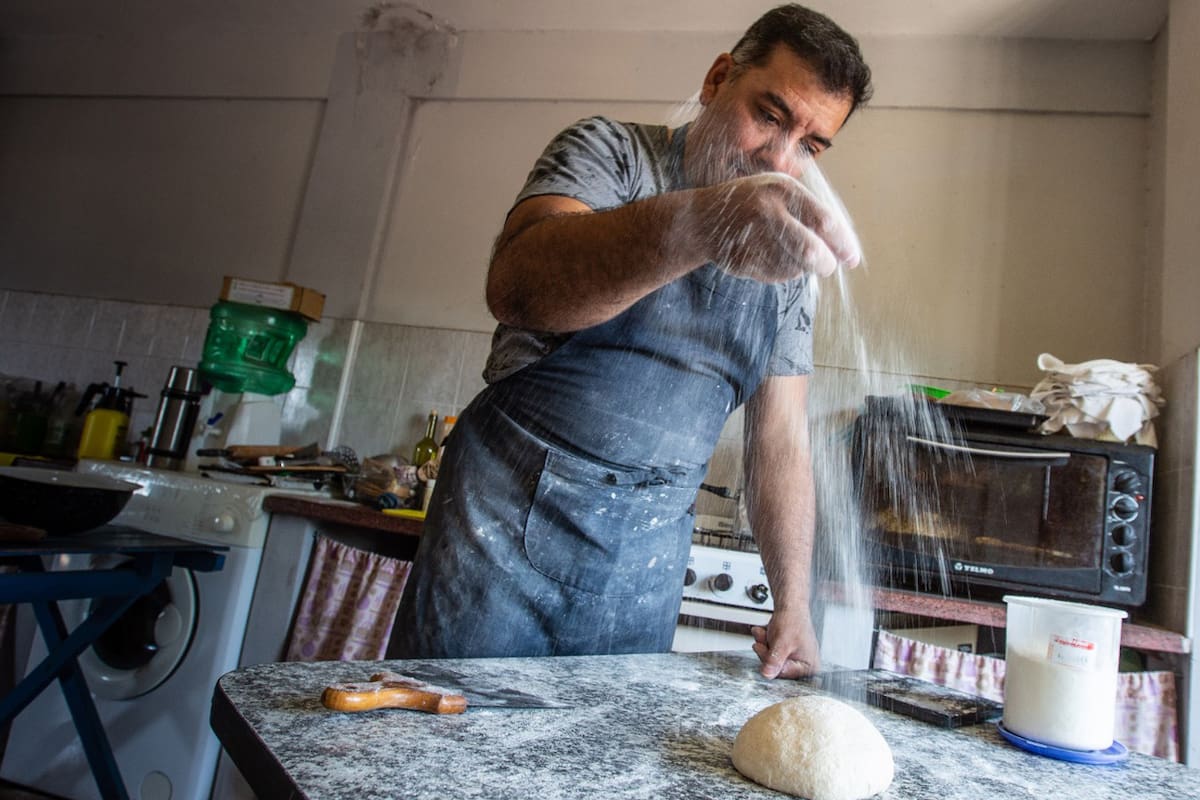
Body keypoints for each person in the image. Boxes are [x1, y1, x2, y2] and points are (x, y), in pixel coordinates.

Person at [387, 3, 873, 680]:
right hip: (500, 535)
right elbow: (519, 284)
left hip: (643, 563)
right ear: (717, 79)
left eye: (811, 145)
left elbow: (781, 440)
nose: (780, 157)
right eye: (769, 114)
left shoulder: (785, 258)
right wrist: (706, 223)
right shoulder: (611, 154)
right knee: (447, 753)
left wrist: (794, 601)